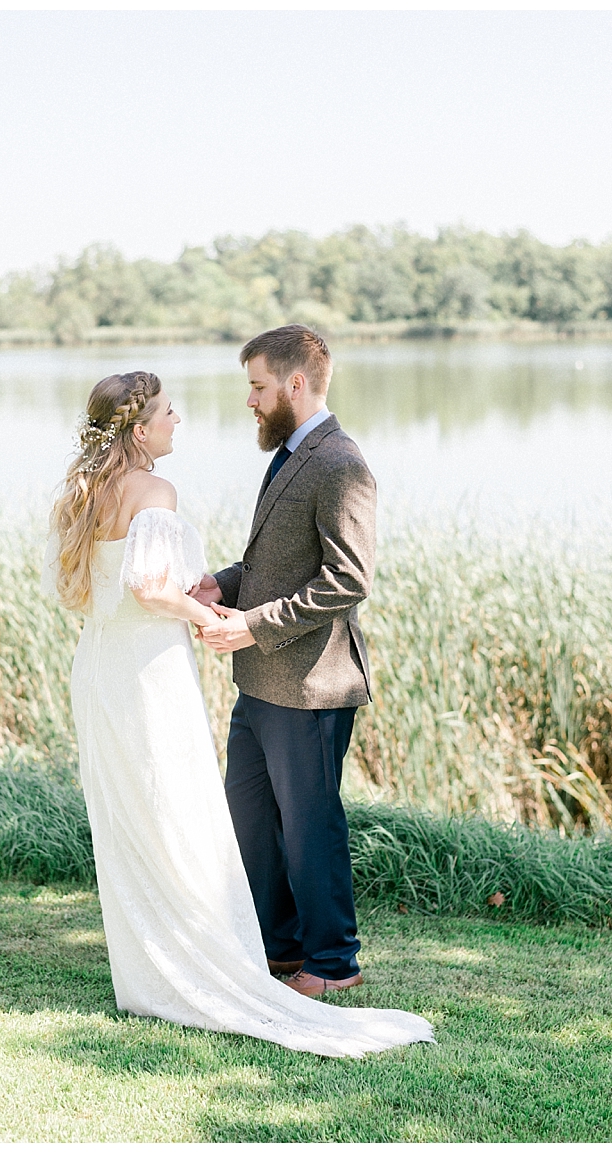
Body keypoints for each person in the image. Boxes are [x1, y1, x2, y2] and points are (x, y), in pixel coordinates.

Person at [41, 368, 432, 1057]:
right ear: (139, 429)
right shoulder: (155, 489)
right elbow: (149, 584)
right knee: (178, 810)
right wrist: (211, 615)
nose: (179, 418)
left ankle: (154, 963)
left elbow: (106, 587)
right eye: (168, 410)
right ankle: (207, 960)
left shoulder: (90, 490)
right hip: (150, 669)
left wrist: (216, 591)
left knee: (137, 815)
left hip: (102, 663)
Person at [193, 325, 375, 997]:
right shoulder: (291, 452)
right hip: (262, 681)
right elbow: (277, 563)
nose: (250, 400)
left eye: (258, 386)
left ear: (295, 385)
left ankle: (333, 963)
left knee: (310, 828)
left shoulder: (341, 463)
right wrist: (223, 585)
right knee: (249, 817)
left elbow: (347, 579)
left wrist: (251, 625)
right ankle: (278, 948)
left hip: (312, 684)